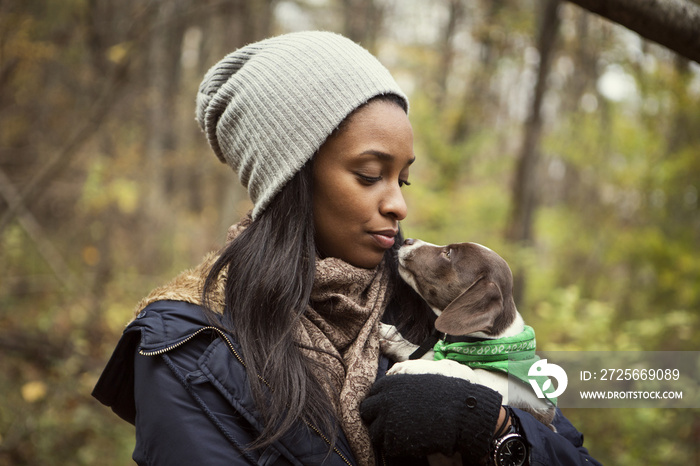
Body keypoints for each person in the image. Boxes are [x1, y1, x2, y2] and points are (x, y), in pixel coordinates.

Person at [93, 31, 601, 466]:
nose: (399, 204)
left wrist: (495, 430)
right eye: (369, 175)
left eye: (403, 179)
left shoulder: (435, 308)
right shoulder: (188, 347)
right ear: (290, 179)